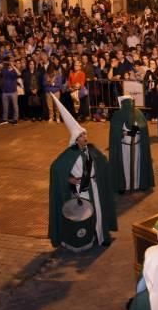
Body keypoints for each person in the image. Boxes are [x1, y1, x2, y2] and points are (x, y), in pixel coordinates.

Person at [48, 99, 117, 251]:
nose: (85, 138)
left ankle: (101, 236)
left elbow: (103, 162)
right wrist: (69, 179)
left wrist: (102, 171)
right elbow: (56, 169)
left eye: (85, 135)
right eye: (81, 136)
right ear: (75, 139)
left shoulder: (91, 149)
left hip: (94, 186)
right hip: (81, 189)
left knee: (97, 211)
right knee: (84, 215)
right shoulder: (69, 154)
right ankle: (86, 238)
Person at [109, 95, 154, 192]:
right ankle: (133, 184)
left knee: (129, 166)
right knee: (134, 165)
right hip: (130, 146)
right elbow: (138, 129)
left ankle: (128, 185)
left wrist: (126, 132)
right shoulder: (138, 113)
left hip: (128, 146)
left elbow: (137, 128)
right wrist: (130, 132)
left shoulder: (120, 114)